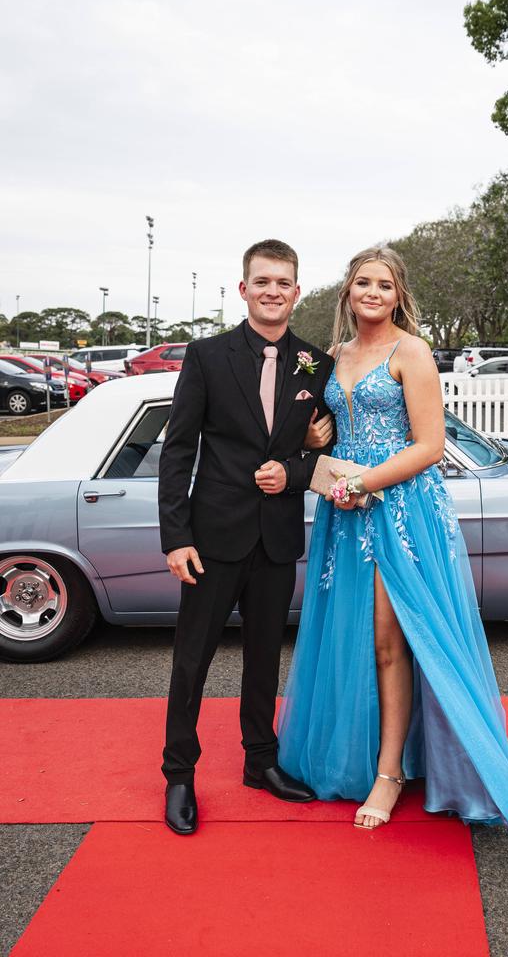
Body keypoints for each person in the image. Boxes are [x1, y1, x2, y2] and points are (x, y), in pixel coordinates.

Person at [277, 247, 508, 839]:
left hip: (399, 509)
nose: (371, 293)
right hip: (344, 512)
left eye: (383, 284)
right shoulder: (334, 356)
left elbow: (428, 446)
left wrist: (360, 481)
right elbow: (320, 432)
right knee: (345, 636)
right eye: (361, 283)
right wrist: (313, 436)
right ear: (347, 291)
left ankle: (390, 771)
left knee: (387, 642)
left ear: (398, 294)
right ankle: (361, 757)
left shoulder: (413, 351)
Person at [158, 239, 334, 835]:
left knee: (264, 658)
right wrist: (175, 537)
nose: (273, 291)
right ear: (243, 289)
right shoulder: (206, 356)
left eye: (283, 282)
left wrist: (296, 472)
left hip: (276, 537)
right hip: (210, 538)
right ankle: (179, 775)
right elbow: (178, 450)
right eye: (262, 281)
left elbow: (328, 453)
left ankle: (261, 762)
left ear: (297, 291)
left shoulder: (316, 363)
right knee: (192, 662)